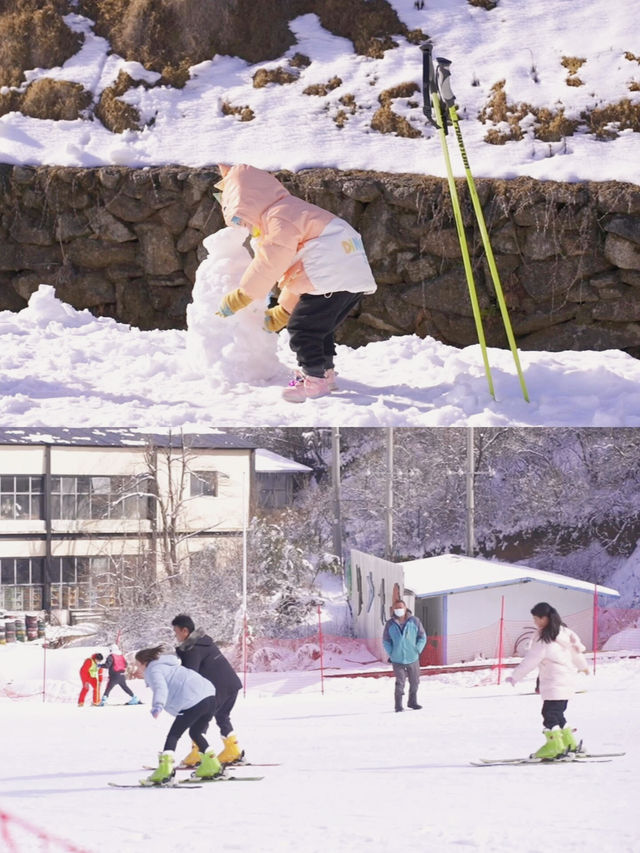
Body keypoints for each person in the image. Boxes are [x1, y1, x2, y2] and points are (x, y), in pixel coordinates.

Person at [214, 163, 377, 402]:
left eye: (243, 220)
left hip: (331, 274)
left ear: (248, 202)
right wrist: (284, 309)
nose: (247, 227)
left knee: (302, 330)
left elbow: (272, 261)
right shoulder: (288, 211)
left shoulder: (279, 216)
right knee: (320, 328)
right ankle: (324, 374)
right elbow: (299, 271)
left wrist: (244, 294)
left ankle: (313, 381)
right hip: (342, 274)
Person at [506, 602, 589, 759]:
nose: (535, 622)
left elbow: (530, 660)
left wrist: (515, 676)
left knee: (549, 714)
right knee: (558, 715)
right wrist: (583, 666)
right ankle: (569, 745)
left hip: (553, 682)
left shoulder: (545, 639)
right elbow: (576, 654)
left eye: (536, 618)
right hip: (567, 682)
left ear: (545, 618)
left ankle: (555, 747)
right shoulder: (563, 633)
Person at [134, 645, 222, 785]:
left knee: (173, 735)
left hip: (192, 701)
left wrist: (158, 705)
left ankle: (165, 772)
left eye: (138, 665)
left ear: (145, 662)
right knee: (196, 732)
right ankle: (212, 765)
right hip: (210, 697)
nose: (137, 669)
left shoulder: (153, 670)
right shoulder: (168, 665)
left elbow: (160, 687)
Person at [171, 613, 244, 766]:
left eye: (176, 632)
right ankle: (233, 749)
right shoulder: (203, 642)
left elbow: (190, 674)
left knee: (199, 718)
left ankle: (198, 753)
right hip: (231, 684)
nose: (175, 635)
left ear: (185, 631)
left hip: (218, 689)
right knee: (222, 717)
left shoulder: (192, 649)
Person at [382, 600, 427, 712]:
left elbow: (422, 637)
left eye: (401, 607)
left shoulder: (415, 621)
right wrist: (391, 652)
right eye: (396, 608)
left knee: (415, 681)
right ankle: (398, 705)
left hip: (413, 657)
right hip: (397, 659)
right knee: (400, 682)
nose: (399, 610)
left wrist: (418, 649)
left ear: (406, 608)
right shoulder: (390, 624)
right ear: (393, 609)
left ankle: (412, 702)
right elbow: (386, 640)